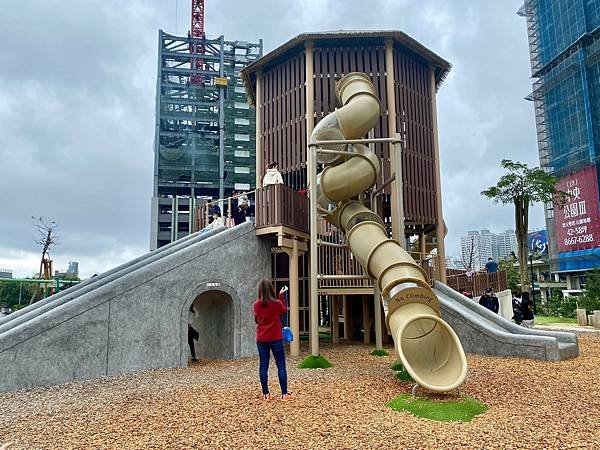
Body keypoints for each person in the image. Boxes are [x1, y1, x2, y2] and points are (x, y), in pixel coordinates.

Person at [253, 279, 293, 401]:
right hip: (275, 337)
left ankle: (266, 394)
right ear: (271, 289)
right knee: (280, 364)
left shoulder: (256, 304)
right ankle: (284, 394)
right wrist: (281, 296)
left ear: (260, 290)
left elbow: (256, 320)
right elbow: (284, 310)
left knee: (263, 365)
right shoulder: (276, 303)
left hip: (262, 338)